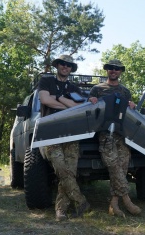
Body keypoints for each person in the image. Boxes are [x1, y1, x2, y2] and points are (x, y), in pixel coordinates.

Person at [38, 54, 90, 221]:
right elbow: (45, 100)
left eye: (68, 65)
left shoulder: (74, 88)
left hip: (72, 133)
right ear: (58, 66)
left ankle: (61, 211)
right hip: (50, 132)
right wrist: (67, 104)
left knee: (69, 171)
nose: (65, 67)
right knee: (61, 168)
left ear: (71, 68)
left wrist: (58, 98)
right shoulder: (46, 81)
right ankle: (81, 201)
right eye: (62, 64)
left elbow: (78, 107)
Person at [88, 59, 141, 217]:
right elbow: (90, 110)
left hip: (121, 134)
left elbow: (128, 111)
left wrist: (132, 106)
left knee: (123, 164)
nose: (114, 71)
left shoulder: (125, 91)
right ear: (107, 70)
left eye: (117, 69)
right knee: (113, 165)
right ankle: (126, 200)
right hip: (105, 134)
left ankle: (113, 204)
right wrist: (91, 102)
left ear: (120, 72)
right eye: (111, 68)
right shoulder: (97, 89)